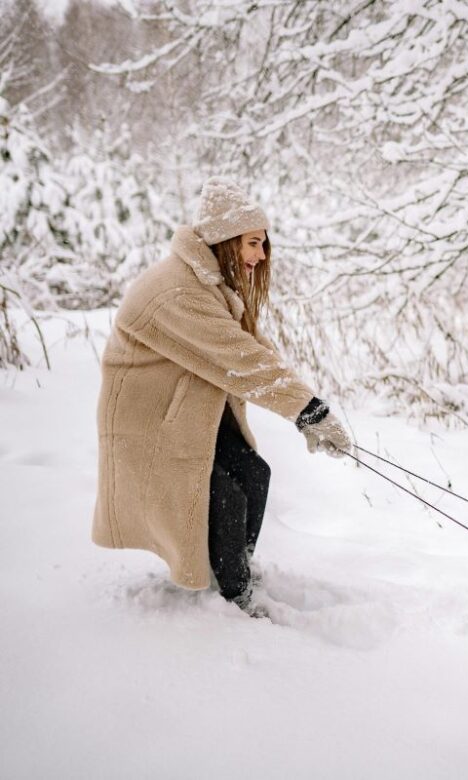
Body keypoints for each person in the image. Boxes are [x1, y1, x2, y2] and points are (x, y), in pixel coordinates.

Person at [92, 177, 352, 617]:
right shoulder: (177, 290)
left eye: (263, 244)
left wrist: (310, 410)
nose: (261, 255)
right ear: (225, 240)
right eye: (253, 243)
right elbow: (241, 360)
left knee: (254, 474)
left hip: (185, 417)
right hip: (148, 427)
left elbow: (253, 348)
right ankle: (233, 599)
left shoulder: (206, 283)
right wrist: (305, 409)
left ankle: (232, 570)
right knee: (224, 496)